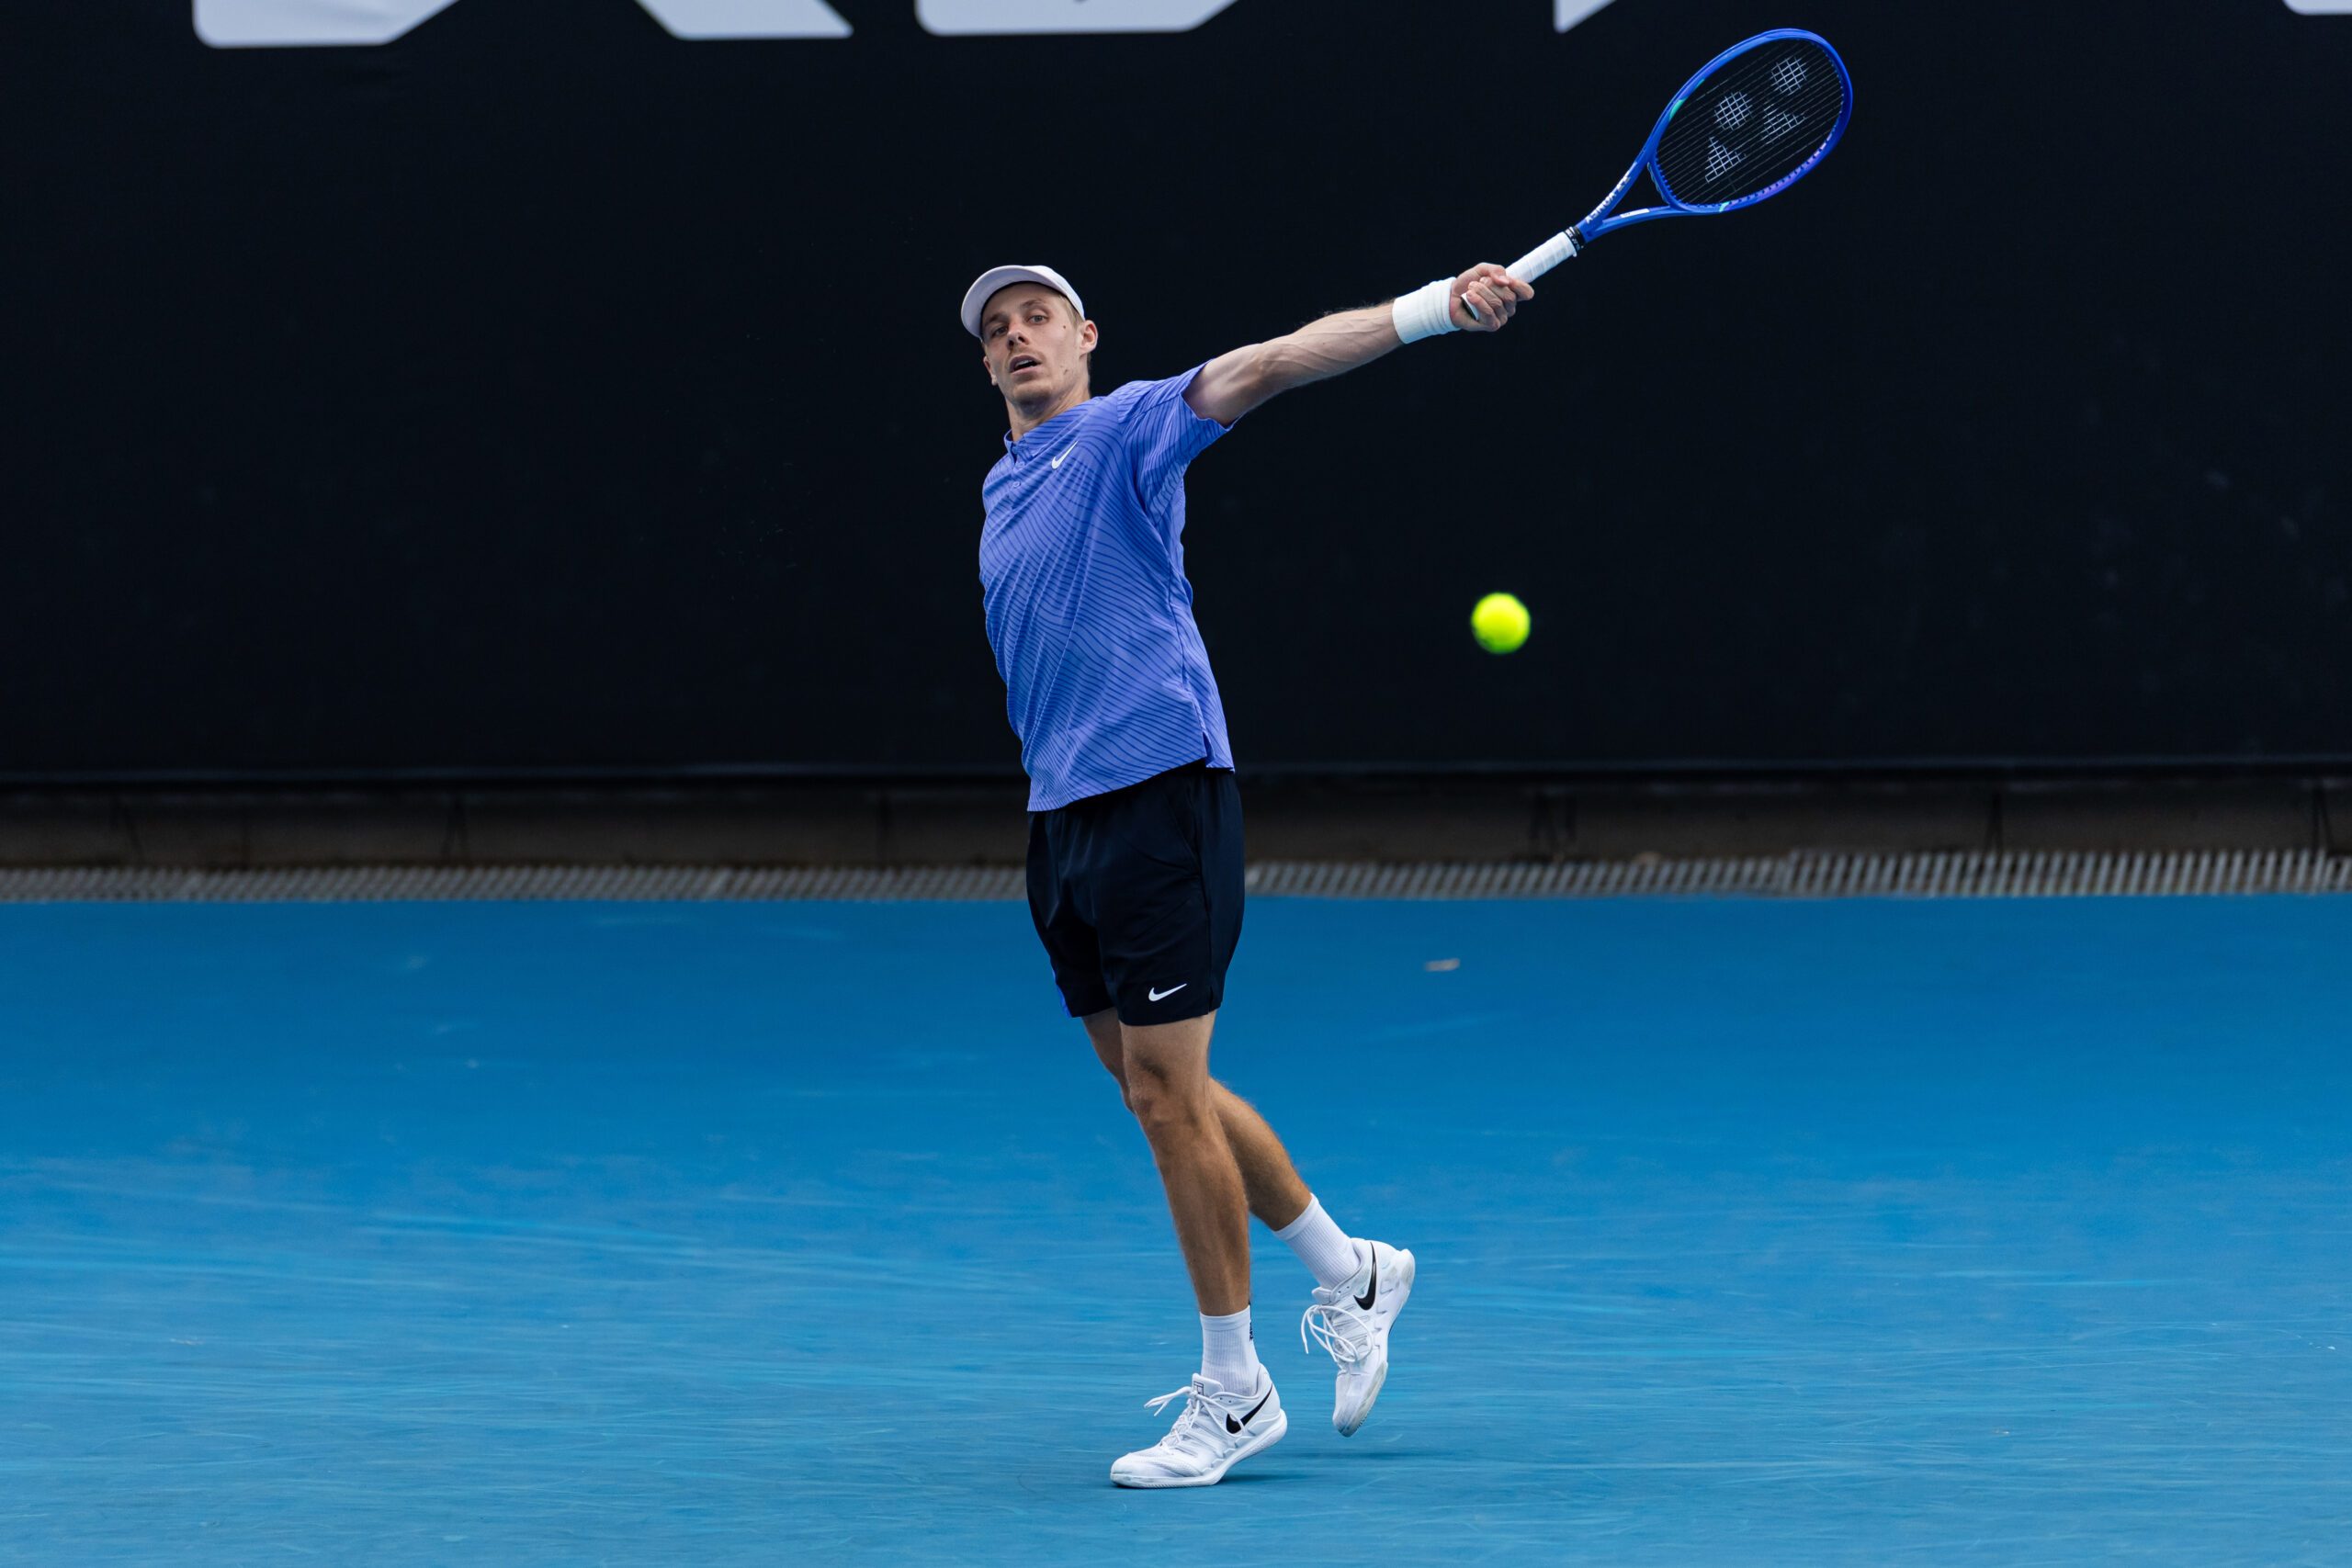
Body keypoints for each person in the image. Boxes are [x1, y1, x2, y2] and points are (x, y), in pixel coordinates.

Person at [961, 259, 1533, 1487]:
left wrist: (1433, 309)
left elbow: (1270, 364)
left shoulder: (1127, 432)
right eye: (998, 331)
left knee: (1170, 1099)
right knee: (1160, 1090)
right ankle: (1353, 1269)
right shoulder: (1003, 491)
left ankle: (1235, 1390)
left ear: (1087, 339)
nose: (1018, 340)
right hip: (1062, 824)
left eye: (1039, 320)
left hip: (1164, 792)